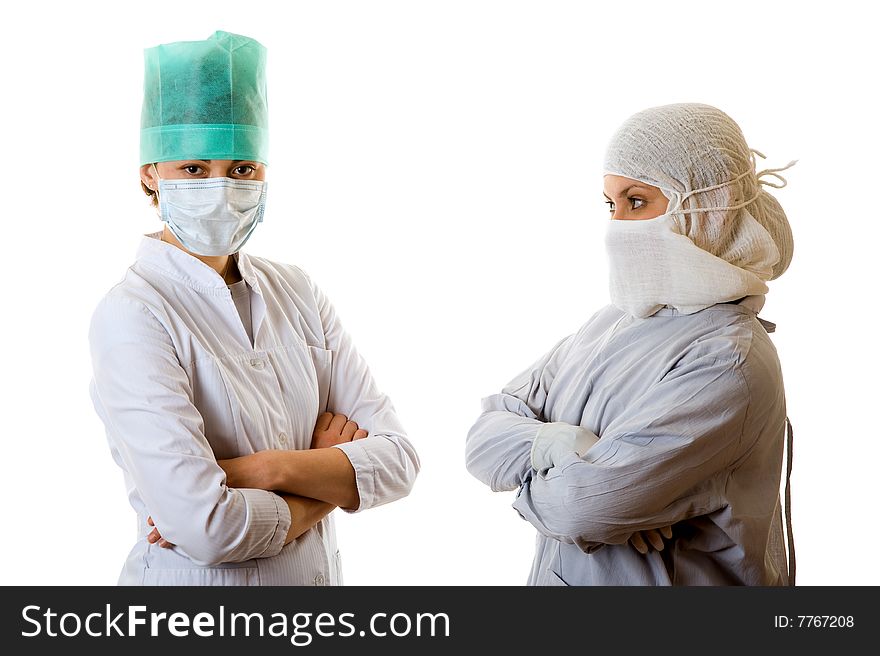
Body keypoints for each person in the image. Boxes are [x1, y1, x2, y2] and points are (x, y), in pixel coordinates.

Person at [89, 30, 419, 586]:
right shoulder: (133, 314)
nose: (221, 187)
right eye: (194, 169)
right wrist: (329, 479)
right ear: (150, 173)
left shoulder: (297, 290)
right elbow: (208, 527)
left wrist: (267, 470)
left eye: (242, 168)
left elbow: (399, 461)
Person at [465, 103, 795, 585]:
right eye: (610, 203)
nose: (617, 223)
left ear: (708, 207)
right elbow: (481, 437)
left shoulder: (728, 358)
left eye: (636, 201)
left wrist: (585, 499)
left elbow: (585, 510)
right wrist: (557, 446)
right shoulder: (611, 323)